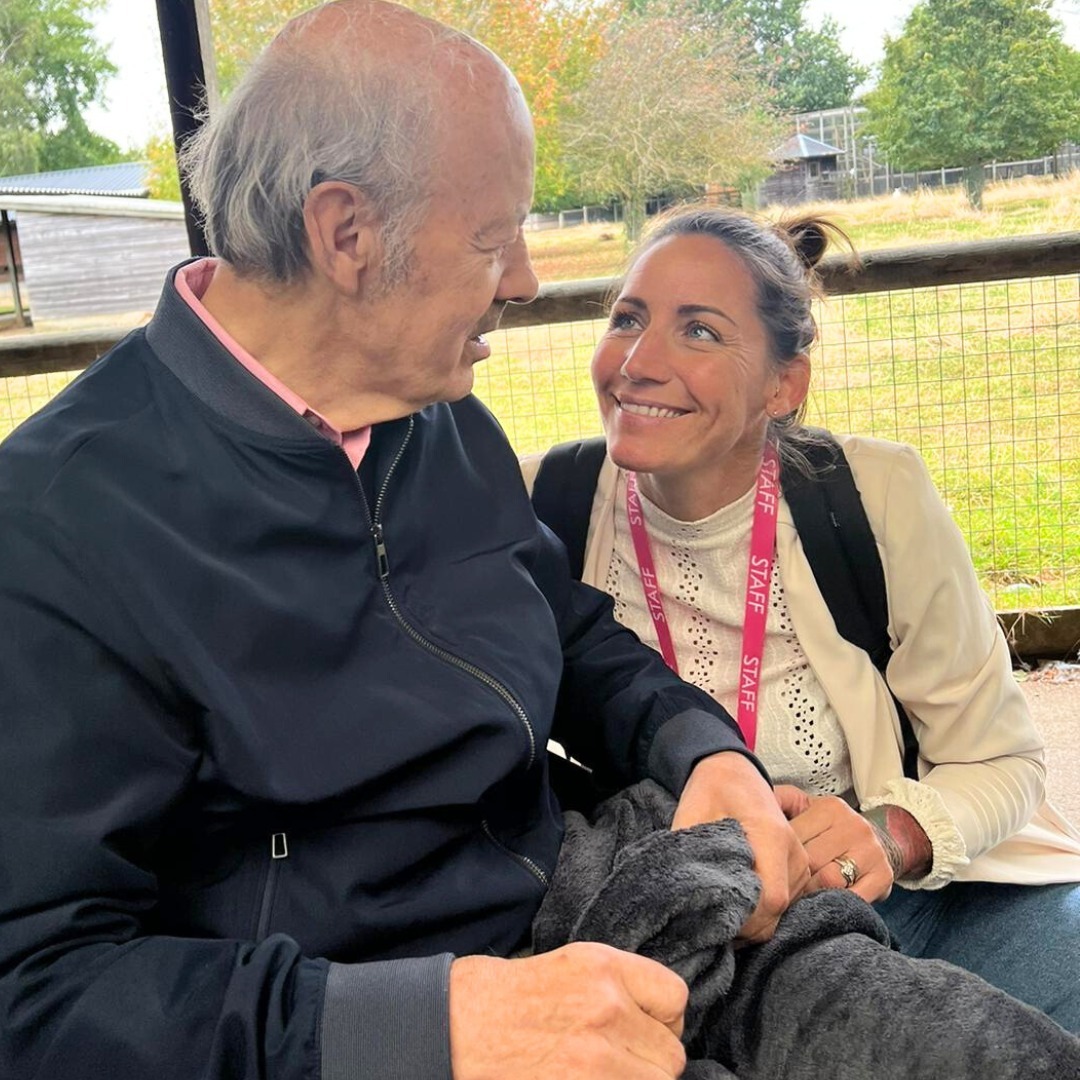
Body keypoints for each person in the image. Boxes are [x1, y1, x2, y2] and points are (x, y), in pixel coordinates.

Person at [521, 205, 1080, 1033]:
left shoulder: (872, 496)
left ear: (785, 385)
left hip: (925, 906)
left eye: (700, 331)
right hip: (706, 939)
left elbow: (1002, 762)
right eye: (627, 319)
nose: (638, 362)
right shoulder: (545, 502)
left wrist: (888, 840)